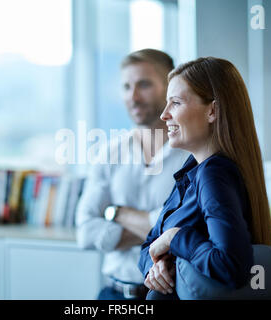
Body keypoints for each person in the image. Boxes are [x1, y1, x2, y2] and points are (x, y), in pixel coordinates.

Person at [138, 57, 271, 299]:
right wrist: (157, 267)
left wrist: (174, 238)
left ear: (212, 111)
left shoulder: (214, 175)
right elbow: (147, 246)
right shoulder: (192, 172)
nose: (164, 115)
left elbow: (230, 267)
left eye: (176, 103)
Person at [75, 49, 189, 300]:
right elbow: (84, 232)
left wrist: (116, 213)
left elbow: (192, 229)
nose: (133, 97)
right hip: (113, 293)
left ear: (170, 88)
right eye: (126, 87)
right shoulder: (109, 152)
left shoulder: (191, 154)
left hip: (172, 295)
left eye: (144, 85)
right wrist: (162, 232)